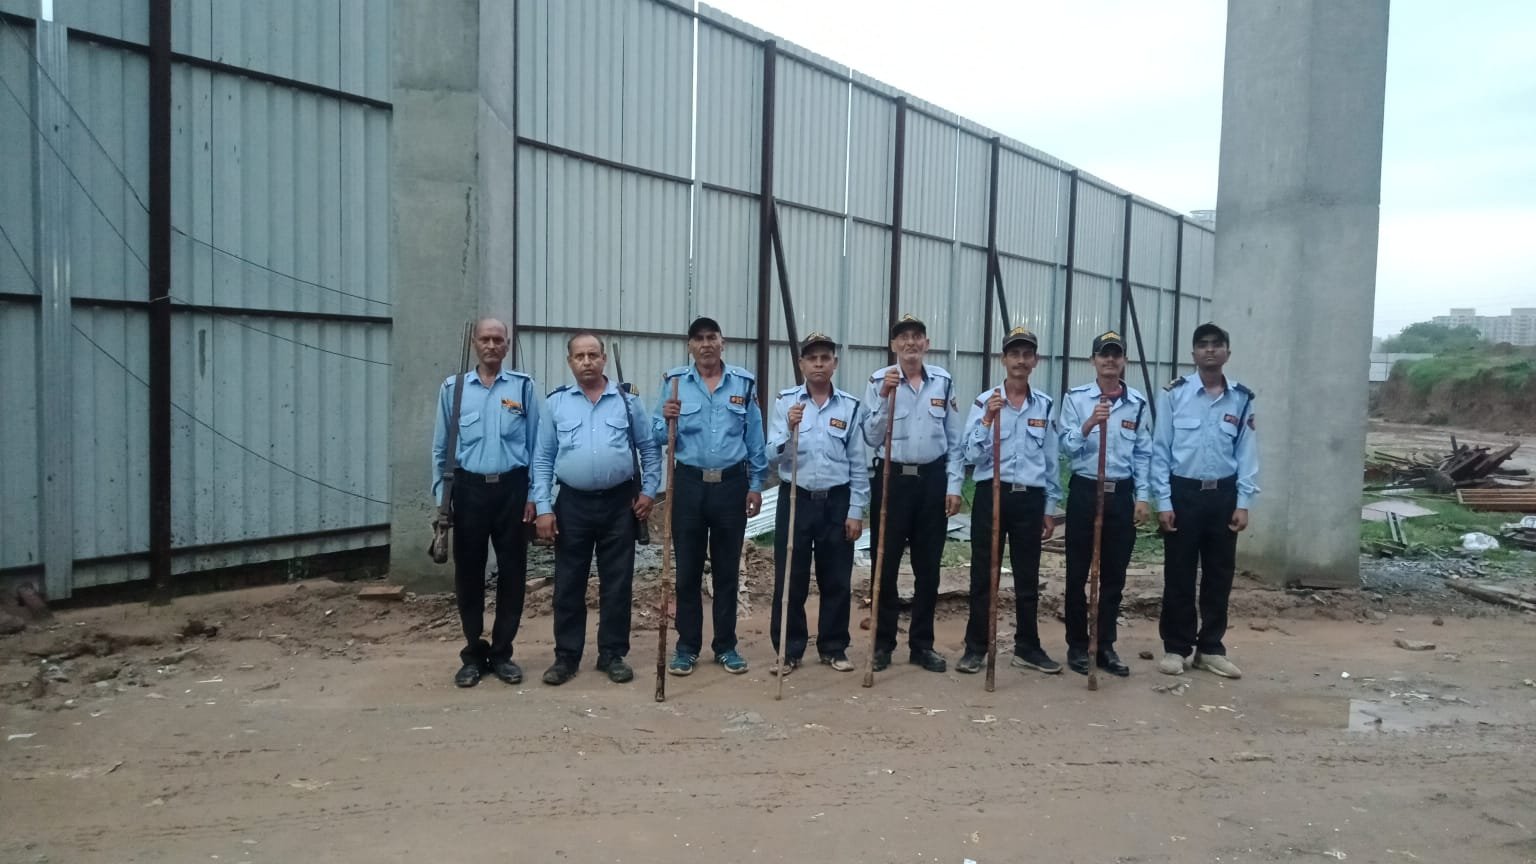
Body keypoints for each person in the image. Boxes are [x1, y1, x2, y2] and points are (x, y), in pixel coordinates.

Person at [532, 333, 661, 686]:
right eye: (580, 356)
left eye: (593, 355)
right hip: (572, 504)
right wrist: (543, 507)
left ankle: (612, 655)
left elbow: (649, 448)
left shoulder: (627, 401)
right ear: (570, 361)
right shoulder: (556, 403)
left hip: (620, 504)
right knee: (568, 584)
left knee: (617, 584)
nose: (587, 361)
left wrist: (649, 491)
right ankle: (566, 657)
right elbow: (542, 459)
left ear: (604, 359)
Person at [655, 317, 769, 676]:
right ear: (690, 346)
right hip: (688, 485)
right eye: (699, 339)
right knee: (687, 572)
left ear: (723, 342)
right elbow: (656, 434)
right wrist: (666, 418)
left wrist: (756, 484)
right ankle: (687, 647)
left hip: (731, 486)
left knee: (726, 571)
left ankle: (726, 646)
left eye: (711, 337)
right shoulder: (675, 383)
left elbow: (755, 437)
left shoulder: (743, 383)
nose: (706, 344)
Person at [430, 318, 539, 688]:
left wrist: (534, 496)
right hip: (469, 491)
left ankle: (503, 653)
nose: (492, 345)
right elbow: (440, 449)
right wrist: (443, 500)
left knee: (513, 574)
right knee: (469, 575)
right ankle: (474, 654)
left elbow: (537, 446)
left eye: (498, 339)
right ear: (475, 344)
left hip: (513, 491)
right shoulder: (454, 389)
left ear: (507, 345)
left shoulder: (523, 388)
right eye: (485, 339)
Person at [1151, 322, 1259, 679]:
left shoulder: (1241, 399)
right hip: (1183, 493)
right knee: (1179, 574)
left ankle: (1211, 648)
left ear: (1227, 351)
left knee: (1219, 574)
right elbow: (1161, 450)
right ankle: (1176, 648)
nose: (1209, 350)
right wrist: (1164, 502)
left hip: (1223, 496)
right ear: (1193, 353)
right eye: (1202, 345)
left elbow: (1246, 452)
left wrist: (1243, 501)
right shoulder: (1175, 395)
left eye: (1216, 344)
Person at [957, 326, 1063, 675]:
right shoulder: (984, 402)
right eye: (1014, 354)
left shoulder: (1044, 405)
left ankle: (1027, 647)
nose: (1020, 360)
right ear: (1003, 359)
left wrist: (1049, 508)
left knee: (1027, 576)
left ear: (1035, 360)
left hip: (1029, 499)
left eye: (1027, 354)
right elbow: (971, 455)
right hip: (992, 494)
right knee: (983, 575)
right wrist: (988, 419)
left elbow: (1051, 461)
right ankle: (976, 647)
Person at [861, 314, 964, 673]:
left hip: (932, 482)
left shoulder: (943, 382)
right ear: (893, 345)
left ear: (926, 344)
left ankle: (922, 645)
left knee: (928, 568)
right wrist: (884, 398)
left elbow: (955, 440)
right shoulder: (879, 381)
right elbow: (871, 436)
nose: (910, 343)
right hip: (892, 480)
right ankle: (883, 644)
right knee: (885, 566)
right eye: (903, 337)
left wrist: (954, 485)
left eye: (916, 336)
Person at [765, 332, 869, 675]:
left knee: (836, 578)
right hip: (796, 498)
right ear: (802, 364)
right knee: (790, 578)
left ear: (834, 363)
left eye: (825, 358)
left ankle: (833, 646)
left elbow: (858, 463)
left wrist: (856, 511)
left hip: (836, 500)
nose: (819, 364)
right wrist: (788, 431)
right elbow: (771, 456)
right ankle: (788, 649)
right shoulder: (787, 403)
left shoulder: (850, 407)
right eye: (812, 359)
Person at [1056, 330, 1152, 677]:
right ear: (1093, 360)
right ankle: (1077, 645)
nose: (1110, 360)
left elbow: (1143, 453)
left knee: (1114, 576)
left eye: (1116, 354)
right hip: (1086, 491)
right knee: (1077, 573)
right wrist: (1088, 425)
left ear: (1124, 360)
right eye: (1103, 354)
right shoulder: (1076, 399)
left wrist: (1143, 497)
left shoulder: (1137, 404)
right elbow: (1065, 448)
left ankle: (1105, 645)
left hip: (1120, 494)